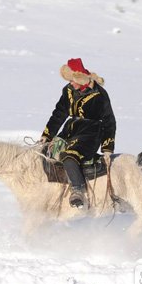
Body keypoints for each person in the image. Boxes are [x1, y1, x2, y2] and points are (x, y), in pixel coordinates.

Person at [40, 58, 116, 209]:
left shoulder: (99, 94)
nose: (71, 84)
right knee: (48, 152)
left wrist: (107, 147)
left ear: (81, 79)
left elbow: (109, 121)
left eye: (73, 80)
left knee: (69, 156)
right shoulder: (68, 90)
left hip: (91, 132)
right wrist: (47, 135)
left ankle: (78, 190)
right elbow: (59, 114)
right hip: (71, 129)